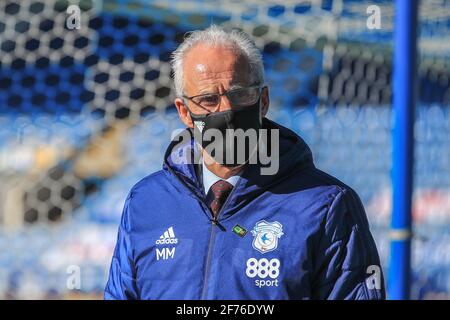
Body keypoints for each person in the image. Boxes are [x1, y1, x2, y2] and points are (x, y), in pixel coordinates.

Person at [104, 25, 386, 300]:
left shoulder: (326, 205)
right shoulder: (146, 202)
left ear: (263, 101)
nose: (226, 110)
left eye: (239, 94)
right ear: (185, 113)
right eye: (208, 99)